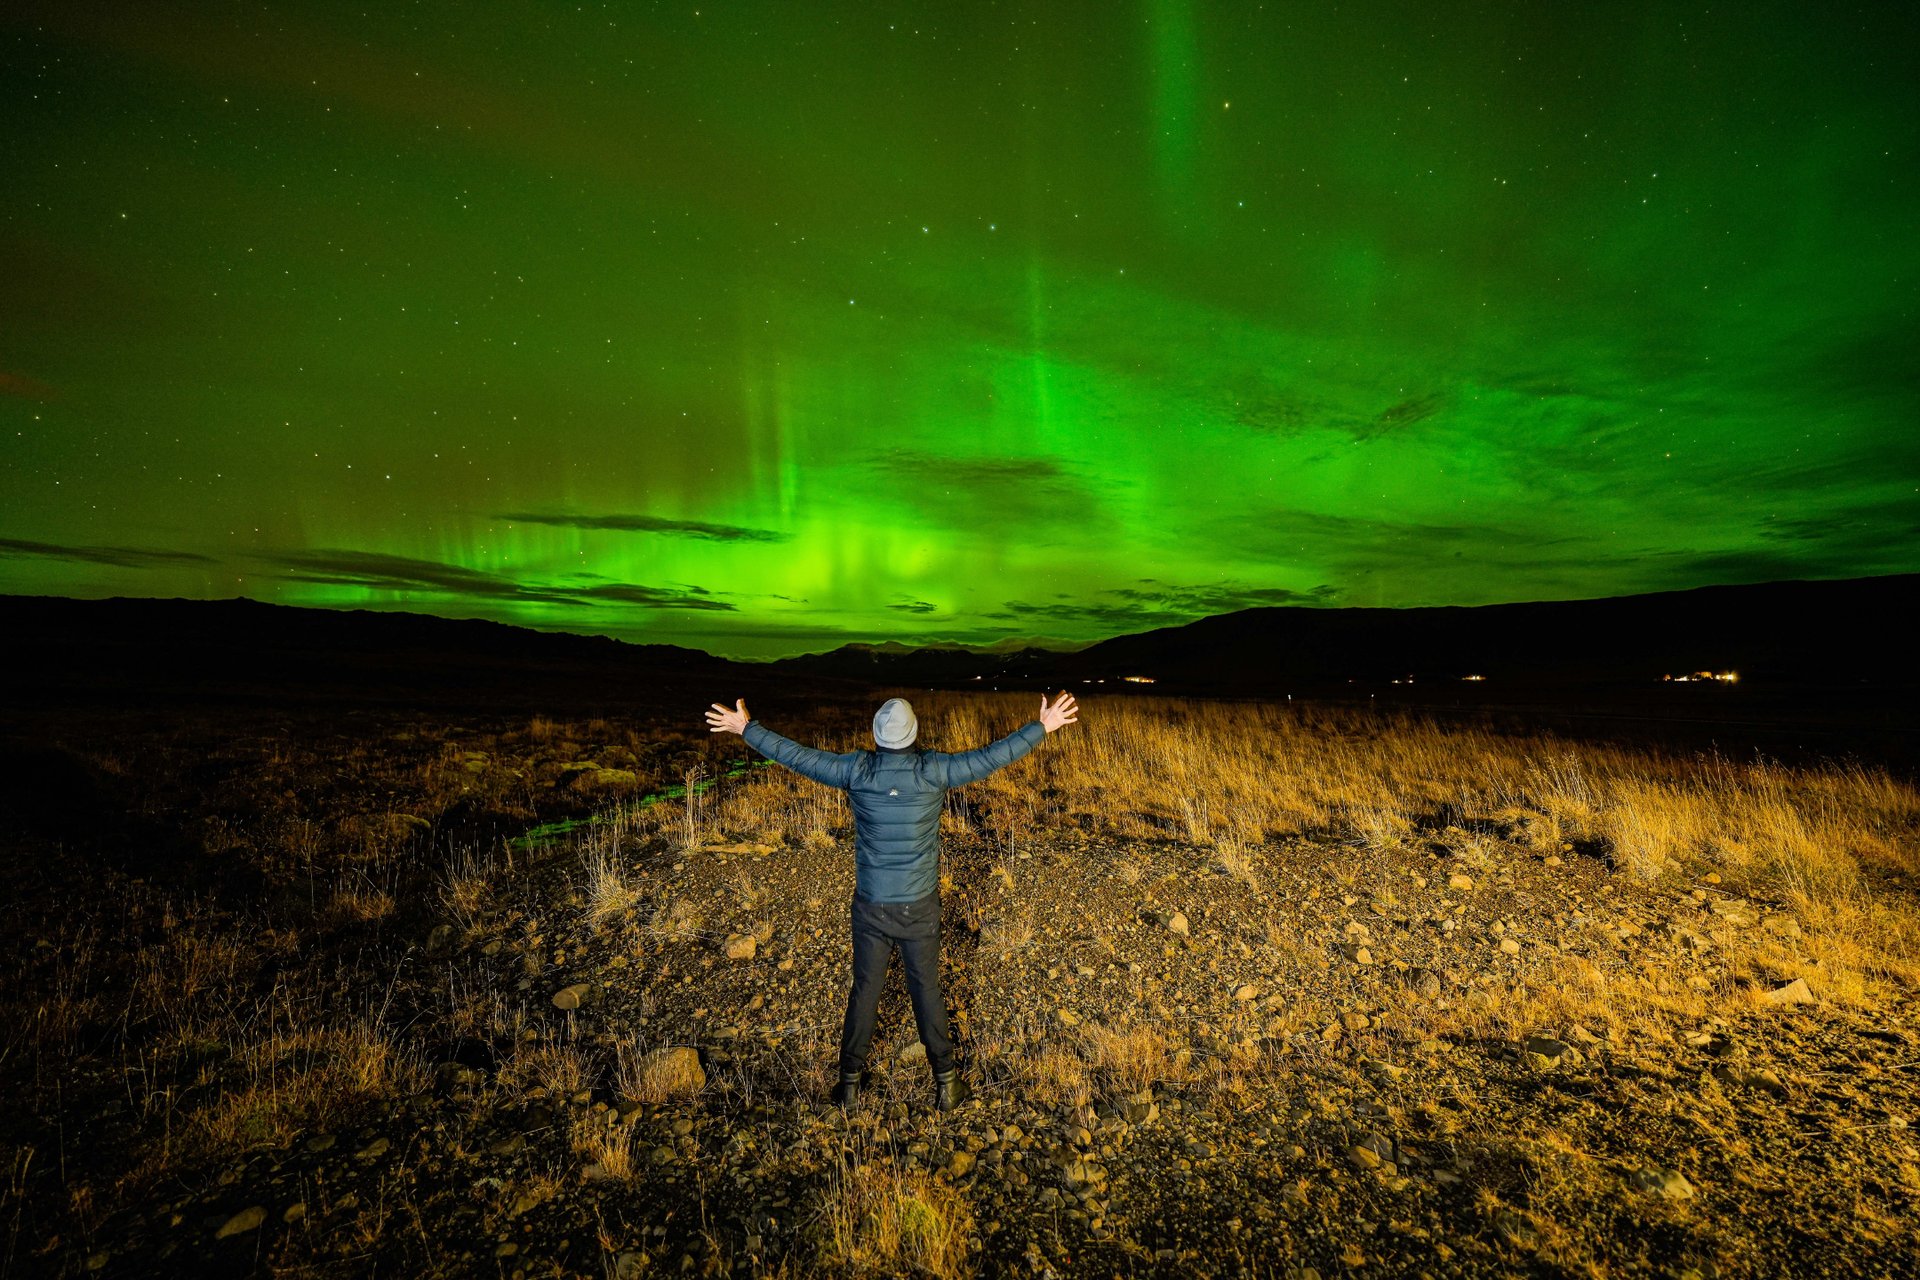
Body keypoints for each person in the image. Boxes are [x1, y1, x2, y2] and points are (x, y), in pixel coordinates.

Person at [704, 691, 1079, 1110]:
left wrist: (746, 729)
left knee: (865, 990)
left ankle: (848, 1084)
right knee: (927, 989)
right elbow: (991, 757)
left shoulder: (856, 770)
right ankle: (947, 1084)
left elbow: (797, 756)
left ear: (877, 736)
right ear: (914, 734)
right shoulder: (934, 770)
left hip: (871, 906)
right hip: (918, 906)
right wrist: (1042, 727)